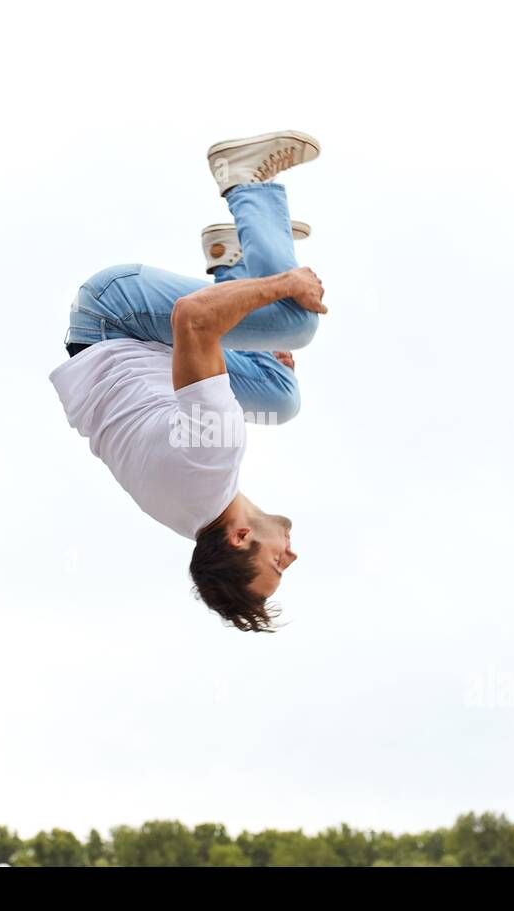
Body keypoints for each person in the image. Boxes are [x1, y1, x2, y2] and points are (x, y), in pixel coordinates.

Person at [49, 131, 327, 632]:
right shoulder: (194, 518)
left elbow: (193, 320)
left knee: (295, 321)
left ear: (241, 538)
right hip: (119, 350)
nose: (293, 557)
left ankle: (244, 180)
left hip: (115, 314)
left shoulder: (210, 457)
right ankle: (230, 257)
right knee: (280, 398)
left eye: (277, 565)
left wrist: (285, 285)